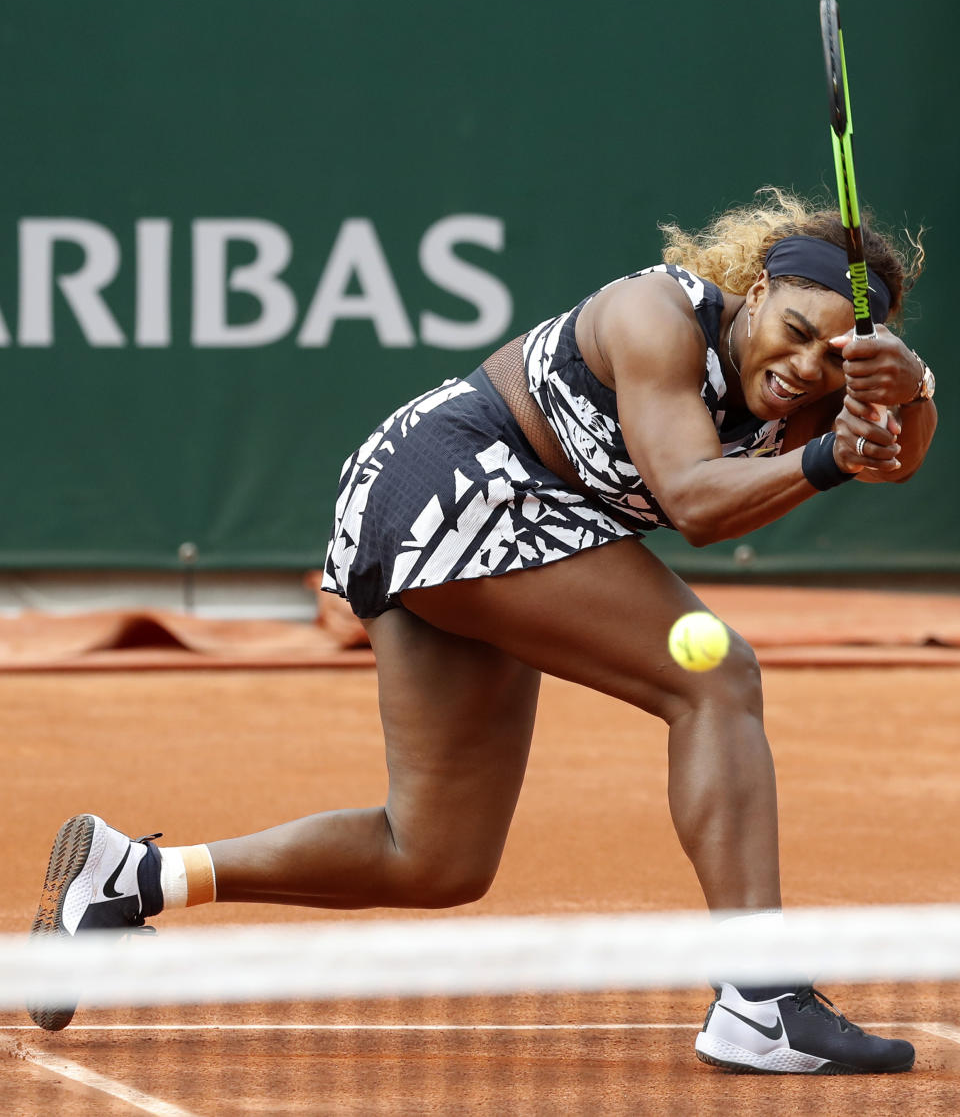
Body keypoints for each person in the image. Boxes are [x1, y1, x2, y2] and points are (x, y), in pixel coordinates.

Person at [30, 189, 935, 1073]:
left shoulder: (810, 389)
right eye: (798, 330)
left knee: (434, 858)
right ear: (763, 285)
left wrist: (911, 392)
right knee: (716, 680)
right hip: (454, 479)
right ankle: (761, 1000)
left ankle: (132, 878)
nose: (809, 365)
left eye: (838, 350)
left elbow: (897, 457)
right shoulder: (655, 314)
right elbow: (695, 501)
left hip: (509, 521)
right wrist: (828, 456)